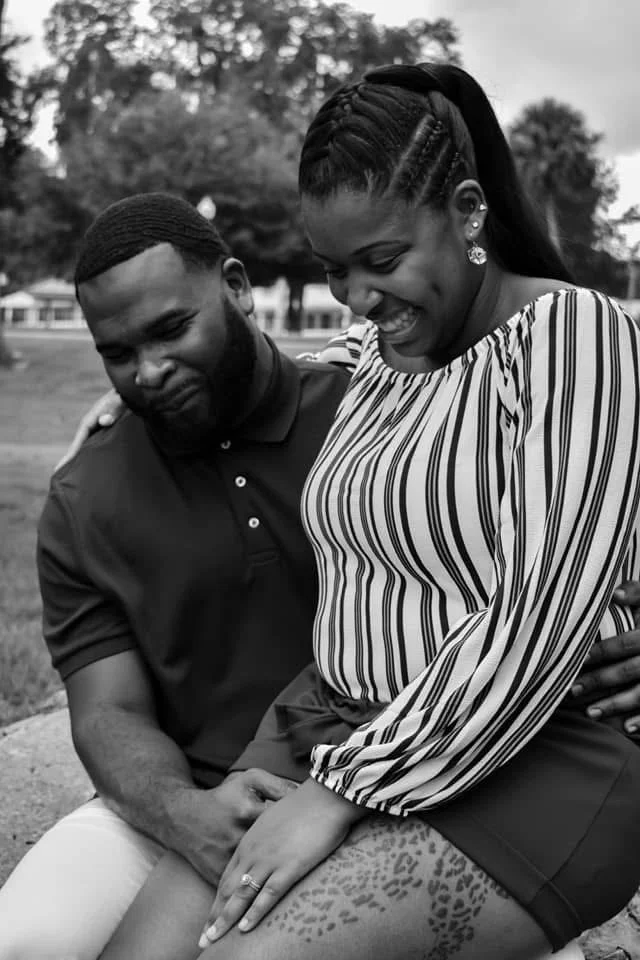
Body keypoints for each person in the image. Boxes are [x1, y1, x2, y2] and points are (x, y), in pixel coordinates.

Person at [0, 181, 638, 960]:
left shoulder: (385, 408)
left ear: (236, 287)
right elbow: (106, 713)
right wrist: (180, 812)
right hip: (199, 800)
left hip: (434, 772)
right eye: (119, 353)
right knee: (23, 939)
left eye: (171, 330)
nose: (149, 371)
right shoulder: (84, 491)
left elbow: (573, 528)